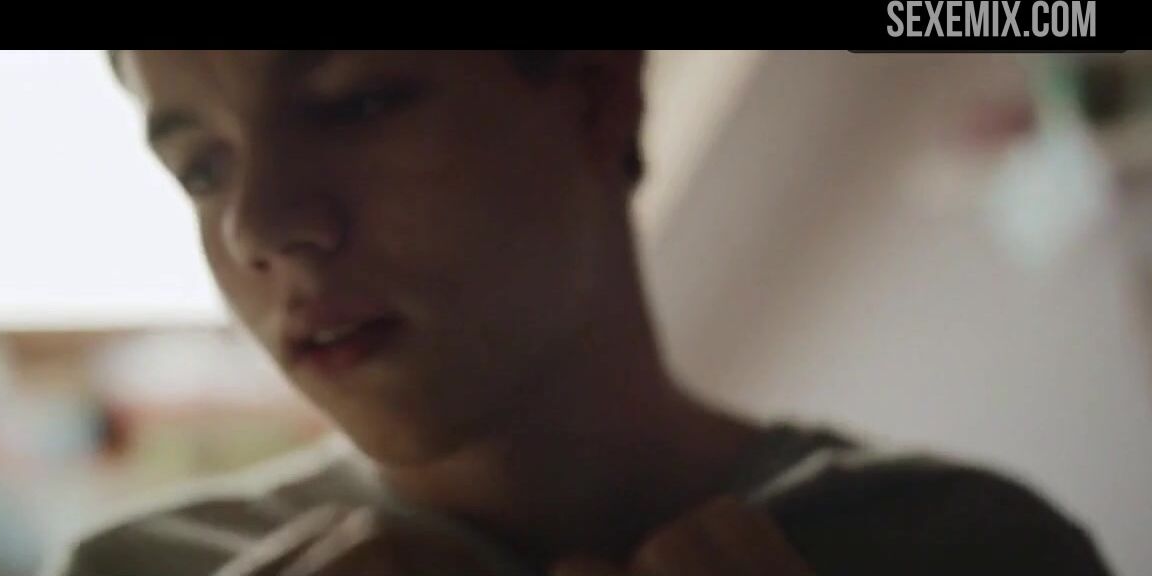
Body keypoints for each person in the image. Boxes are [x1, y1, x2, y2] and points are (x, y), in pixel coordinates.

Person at [55, 50, 1112, 576]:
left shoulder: (963, 549)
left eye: (356, 101)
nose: (258, 224)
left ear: (597, 92)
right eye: (201, 169)